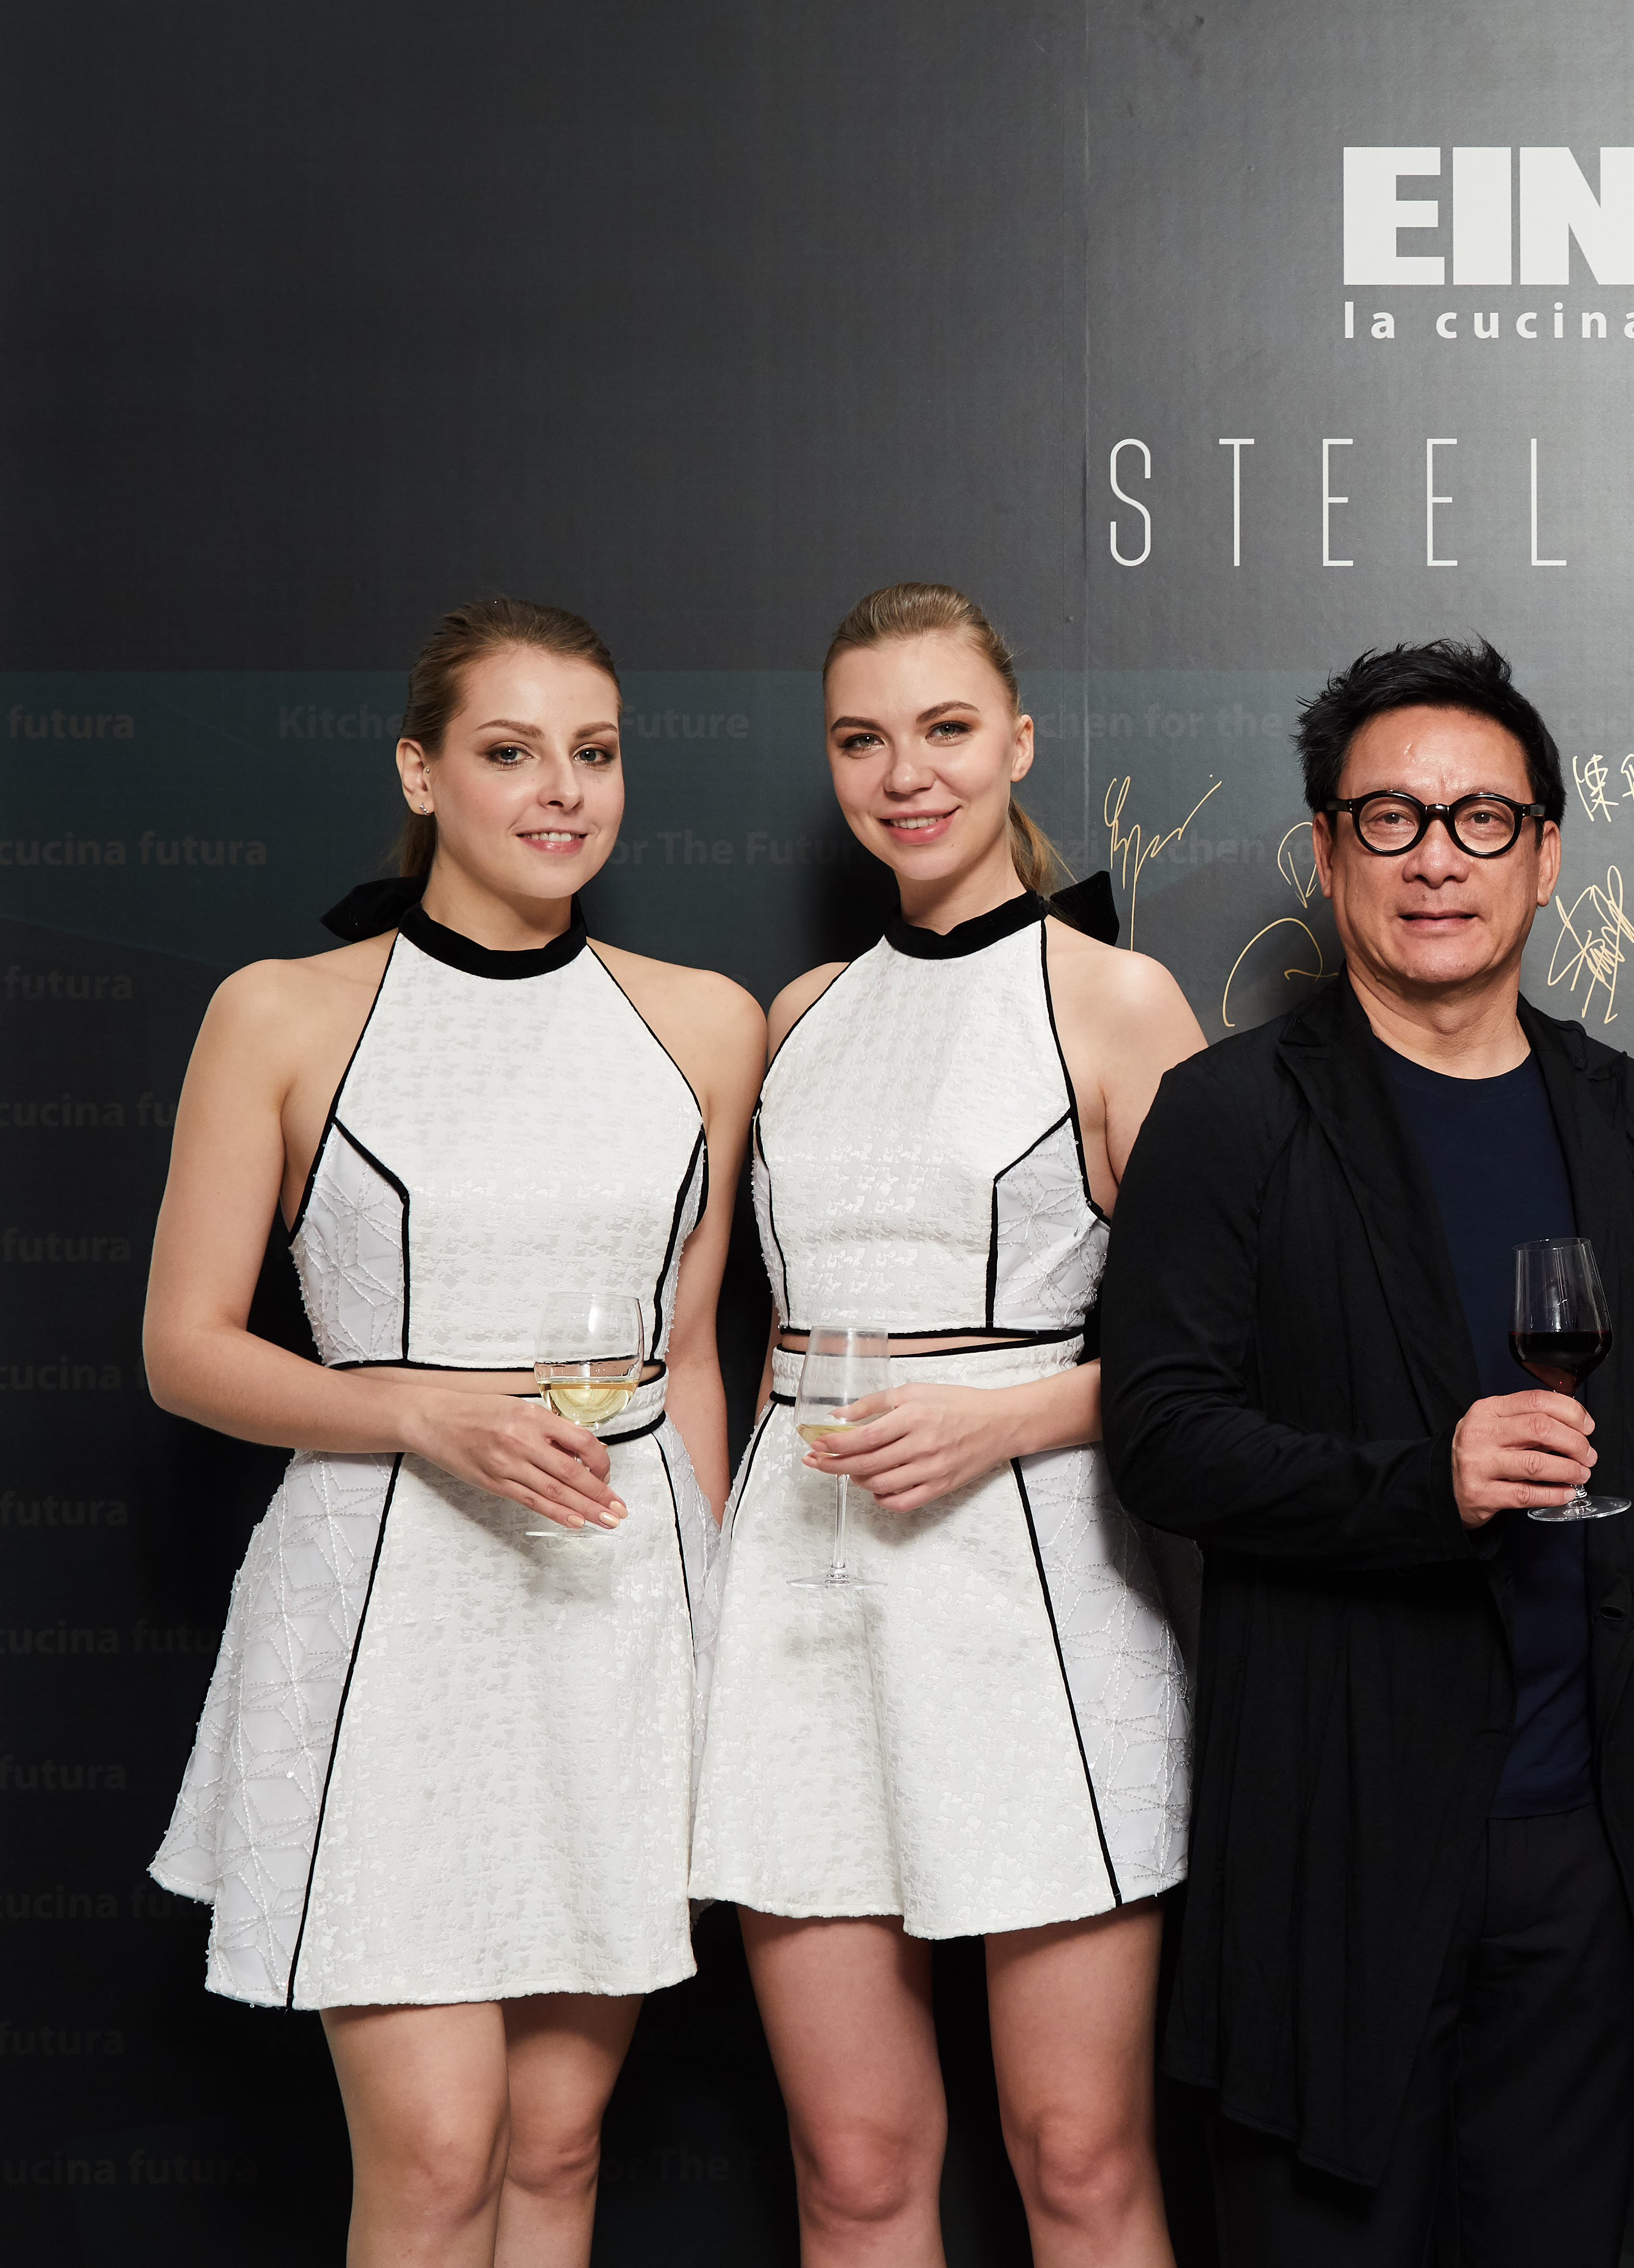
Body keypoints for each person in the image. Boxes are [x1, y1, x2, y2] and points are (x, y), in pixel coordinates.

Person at [142, 599, 761, 2267]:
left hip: (616, 1606)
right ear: (421, 772)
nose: (562, 789)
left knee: (557, 2147)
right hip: (385, 1609)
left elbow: (690, 1359)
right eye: (509, 750)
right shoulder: (281, 1012)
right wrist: (418, 1411)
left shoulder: (706, 1022)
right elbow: (184, 1349)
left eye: (594, 752)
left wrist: (712, 1619)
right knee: (435, 2153)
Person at [1103, 639, 1634, 2266]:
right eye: (1390, 818)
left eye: (1480, 819)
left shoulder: (1629, 1121)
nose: (1437, 857)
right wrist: (1420, 1483)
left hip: (1582, 1852)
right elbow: (1159, 1439)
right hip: (1334, 1841)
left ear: (1545, 853)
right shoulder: (1230, 1114)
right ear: (1327, 850)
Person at [686, 583, 1203, 2266]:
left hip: (1035, 1598)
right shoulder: (798, 1013)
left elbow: (1232, 1356)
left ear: (1019, 741)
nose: (905, 772)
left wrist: (1009, 1420)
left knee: (1077, 2154)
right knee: (850, 2163)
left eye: (946, 727)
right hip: (804, 1599)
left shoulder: (1116, 997)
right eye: (863, 738)